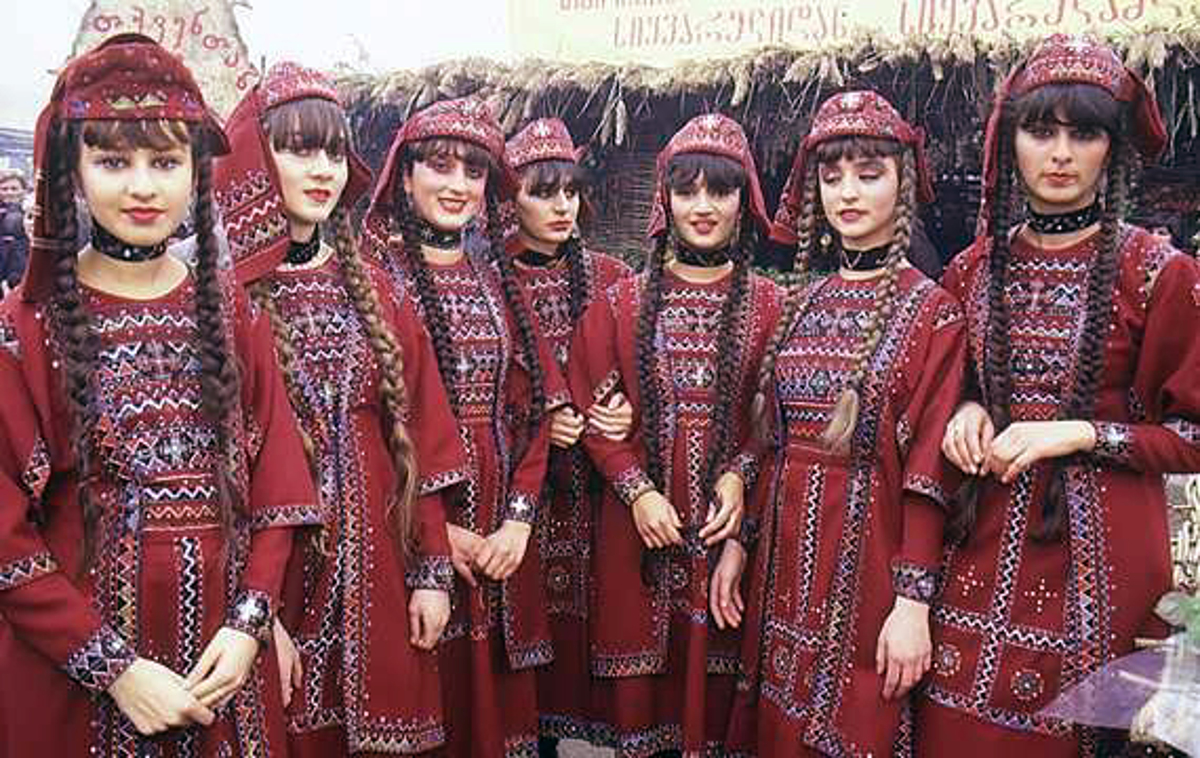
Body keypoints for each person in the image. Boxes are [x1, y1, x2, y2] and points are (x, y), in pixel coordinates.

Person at [0, 34, 317, 754]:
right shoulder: (25, 329)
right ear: (73, 170)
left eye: (166, 162)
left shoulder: (234, 314)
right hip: (74, 681)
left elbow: (279, 491)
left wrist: (250, 624)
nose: (142, 186)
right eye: (114, 162)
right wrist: (114, 670)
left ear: (196, 172)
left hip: (224, 668)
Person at [919, 35, 1200, 756]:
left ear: (1113, 148)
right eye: (1041, 132)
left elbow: (1192, 437)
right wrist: (966, 410)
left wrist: (1078, 432)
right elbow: (948, 388)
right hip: (976, 543)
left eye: (1086, 134)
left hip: (1103, 561)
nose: (1062, 155)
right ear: (1010, 142)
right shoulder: (970, 271)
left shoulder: (1157, 273)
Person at [215, 62, 469, 755]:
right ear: (255, 161)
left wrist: (431, 575)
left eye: (333, 151)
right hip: (272, 582)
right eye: (300, 149)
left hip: (378, 573)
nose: (323, 169)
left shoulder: (380, 293)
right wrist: (256, 613)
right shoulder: (219, 301)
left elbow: (421, 439)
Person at [725, 90, 966, 757]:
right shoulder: (801, 304)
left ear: (903, 184)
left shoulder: (934, 313)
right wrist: (741, 543)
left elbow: (930, 474)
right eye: (832, 178)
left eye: (869, 174)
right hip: (781, 569)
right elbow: (770, 443)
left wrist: (912, 603)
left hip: (871, 573)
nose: (848, 193)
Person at [567, 113, 781, 756]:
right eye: (687, 191)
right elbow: (589, 404)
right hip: (637, 537)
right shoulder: (621, 303)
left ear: (745, 199)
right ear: (665, 200)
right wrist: (637, 492)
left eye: (720, 190)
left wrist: (739, 476)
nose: (703, 206)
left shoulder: (773, 306)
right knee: (642, 715)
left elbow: (776, 422)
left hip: (726, 536)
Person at [362, 96, 564, 758]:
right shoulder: (372, 283)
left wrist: (518, 522)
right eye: (439, 166)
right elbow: (366, 432)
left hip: (500, 534)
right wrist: (436, 534)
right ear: (405, 176)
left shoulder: (497, 280)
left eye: (473, 172)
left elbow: (535, 408)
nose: (457, 185)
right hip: (408, 531)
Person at [500, 117, 635, 753]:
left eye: (571, 192)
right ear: (510, 199)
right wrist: (537, 422)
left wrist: (627, 411)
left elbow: (644, 368)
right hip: (523, 502)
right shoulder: (490, 282)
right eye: (542, 192)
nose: (561, 207)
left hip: (600, 497)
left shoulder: (613, 279)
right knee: (532, 656)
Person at [0, 169, 28, 292]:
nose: (9, 193)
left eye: (14, 188)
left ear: (24, 191)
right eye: (4, 189)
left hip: (21, 279)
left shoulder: (32, 213)